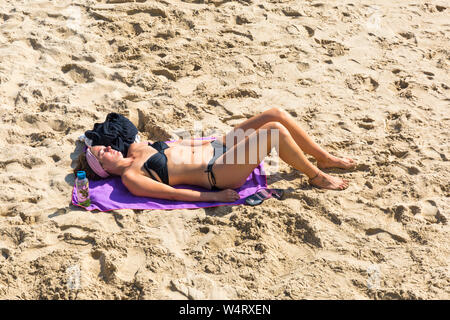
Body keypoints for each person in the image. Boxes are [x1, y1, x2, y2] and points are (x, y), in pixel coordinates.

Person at [74, 108, 355, 202]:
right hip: (217, 172)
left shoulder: (134, 147)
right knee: (274, 131)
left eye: (106, 146)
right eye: (103, 152)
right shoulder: (132, 177)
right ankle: (317, 177)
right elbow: (173, 195)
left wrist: (94, 142)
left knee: (275, 114)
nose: (110, 147)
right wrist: (215, 197)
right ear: (103, 169)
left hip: (220, 146)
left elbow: (119, 124)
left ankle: (324, 158)